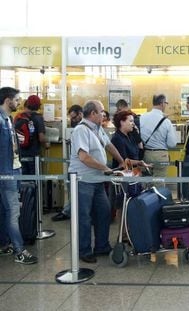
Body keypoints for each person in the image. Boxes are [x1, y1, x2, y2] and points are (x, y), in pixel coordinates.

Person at [68, 100, 125, 263]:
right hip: (83, 180)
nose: (104, 115)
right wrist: (105, 168)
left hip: (97, 181)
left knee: (104, 212)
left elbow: (109, 146)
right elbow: (84, 157)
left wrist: (121, 161)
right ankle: (84, 250)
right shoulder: (81, 130)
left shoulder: (98, 129)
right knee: (84, 217)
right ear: (92, 114)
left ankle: (102, 246)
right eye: (101, 112)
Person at [0, 87, 38, 264]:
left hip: (13, 170)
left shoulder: (8, 119)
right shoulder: (1, 120)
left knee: (5, 210)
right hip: (6, 173)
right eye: (16, 100)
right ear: (8, 101)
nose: (18, 103)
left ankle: (4, 244)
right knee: (13, 211)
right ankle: (19, 250)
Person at [52, 104, 84, 222]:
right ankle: (68, 211)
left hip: (81, 168)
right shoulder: (78, 128)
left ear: (80, 114)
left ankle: (68, 211)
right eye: (71, 118)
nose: (72, 121)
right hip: (76, 166)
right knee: (72, 190)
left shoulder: (83, 128)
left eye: (74, 117)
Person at [139, 94, 177, 180]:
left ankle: (147, 193)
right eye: (166, 103)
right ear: (162, 103)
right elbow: (172, 144)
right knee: (159, 181)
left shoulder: (142, 117)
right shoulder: (166, 121)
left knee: (146, 181)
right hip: (161, 155)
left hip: (145, 154)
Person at [15, 95, 49, 175]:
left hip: (21, 152)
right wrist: (47, 144)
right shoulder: (38, 118)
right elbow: (41, 138)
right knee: (34, 178)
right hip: (34, 153)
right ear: (38, 106)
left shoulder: (19, 117)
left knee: (23, 177)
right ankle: (34, 188)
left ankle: (24, 188)